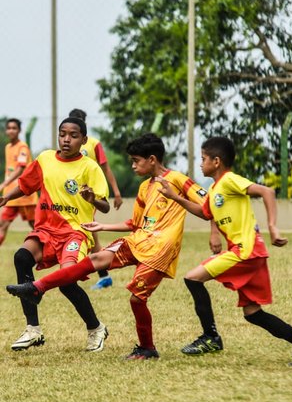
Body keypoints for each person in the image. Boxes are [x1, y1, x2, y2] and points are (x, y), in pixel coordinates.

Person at [7, 133, 212, 360]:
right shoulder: (145, 187)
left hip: (161, 249)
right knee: (95, 260)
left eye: (136, 161)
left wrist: (176, 198)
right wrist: (102, 227)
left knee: (136, 299)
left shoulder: (178, 180)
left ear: (152, 159)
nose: (133, 166)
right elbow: (135, 224)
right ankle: (37, 288)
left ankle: (148, 348)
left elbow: (206, 209)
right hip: (139, 240)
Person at [156, 136, 292, 367]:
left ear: (216, 161)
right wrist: (175, 197)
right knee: (253, 313)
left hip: (245, 252)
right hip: (251, 253)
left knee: (192, 278)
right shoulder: (216, 188)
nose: (200, 163)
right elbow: (206, 213)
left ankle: (211, 337)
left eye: (203, 159)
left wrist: (273, 227)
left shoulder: (229, 180)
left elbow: (268, 192)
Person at [1, 117, 110, 352]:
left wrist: (93, 199)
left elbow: (105, 206)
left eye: (73, 135)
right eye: (62, 134)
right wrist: (8, 196)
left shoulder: (89, 167)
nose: (66, 139)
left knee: (67, 281)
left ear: (83, 139)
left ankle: (96, 328)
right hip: (46, 230)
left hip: (75, 233)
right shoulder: (45, 159)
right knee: (21, 257)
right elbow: (27, 184)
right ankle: (33, 330)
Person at [69, 108, 123, 290]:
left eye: (78, 120)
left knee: (87, 231)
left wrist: (116, 192)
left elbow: (106, 168)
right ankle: (102, 274)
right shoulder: (67, 143)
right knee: (91, 236)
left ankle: (80, 272)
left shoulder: (93, 144)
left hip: (88, 196)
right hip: (71, 196)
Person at [0, 118, 38, 245]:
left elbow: (20, 168)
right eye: (9, 128)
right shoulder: (8, 147)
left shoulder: (22, 147)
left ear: (19, 130)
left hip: (24, 194)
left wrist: (4, 183)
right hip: (11, 196)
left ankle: (47, 249)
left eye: (14, 128)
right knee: (2, 225)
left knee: (36, 226)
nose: (11, 131)